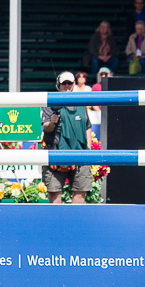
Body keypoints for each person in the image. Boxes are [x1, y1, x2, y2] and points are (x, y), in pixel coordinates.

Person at [41, 71, 93, 204]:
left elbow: (87, 126)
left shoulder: (82, 103)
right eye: (64, 83)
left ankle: (75, 224)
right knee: (54, 196)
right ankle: (56, 224)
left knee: (80, 194)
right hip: (56, 152)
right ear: (58, 85)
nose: (67, 86)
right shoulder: (50, 102)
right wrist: (52, 122)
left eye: (70, 83)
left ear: (74, 84)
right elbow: (46, 128)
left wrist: (88, 148)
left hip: (79, 153)